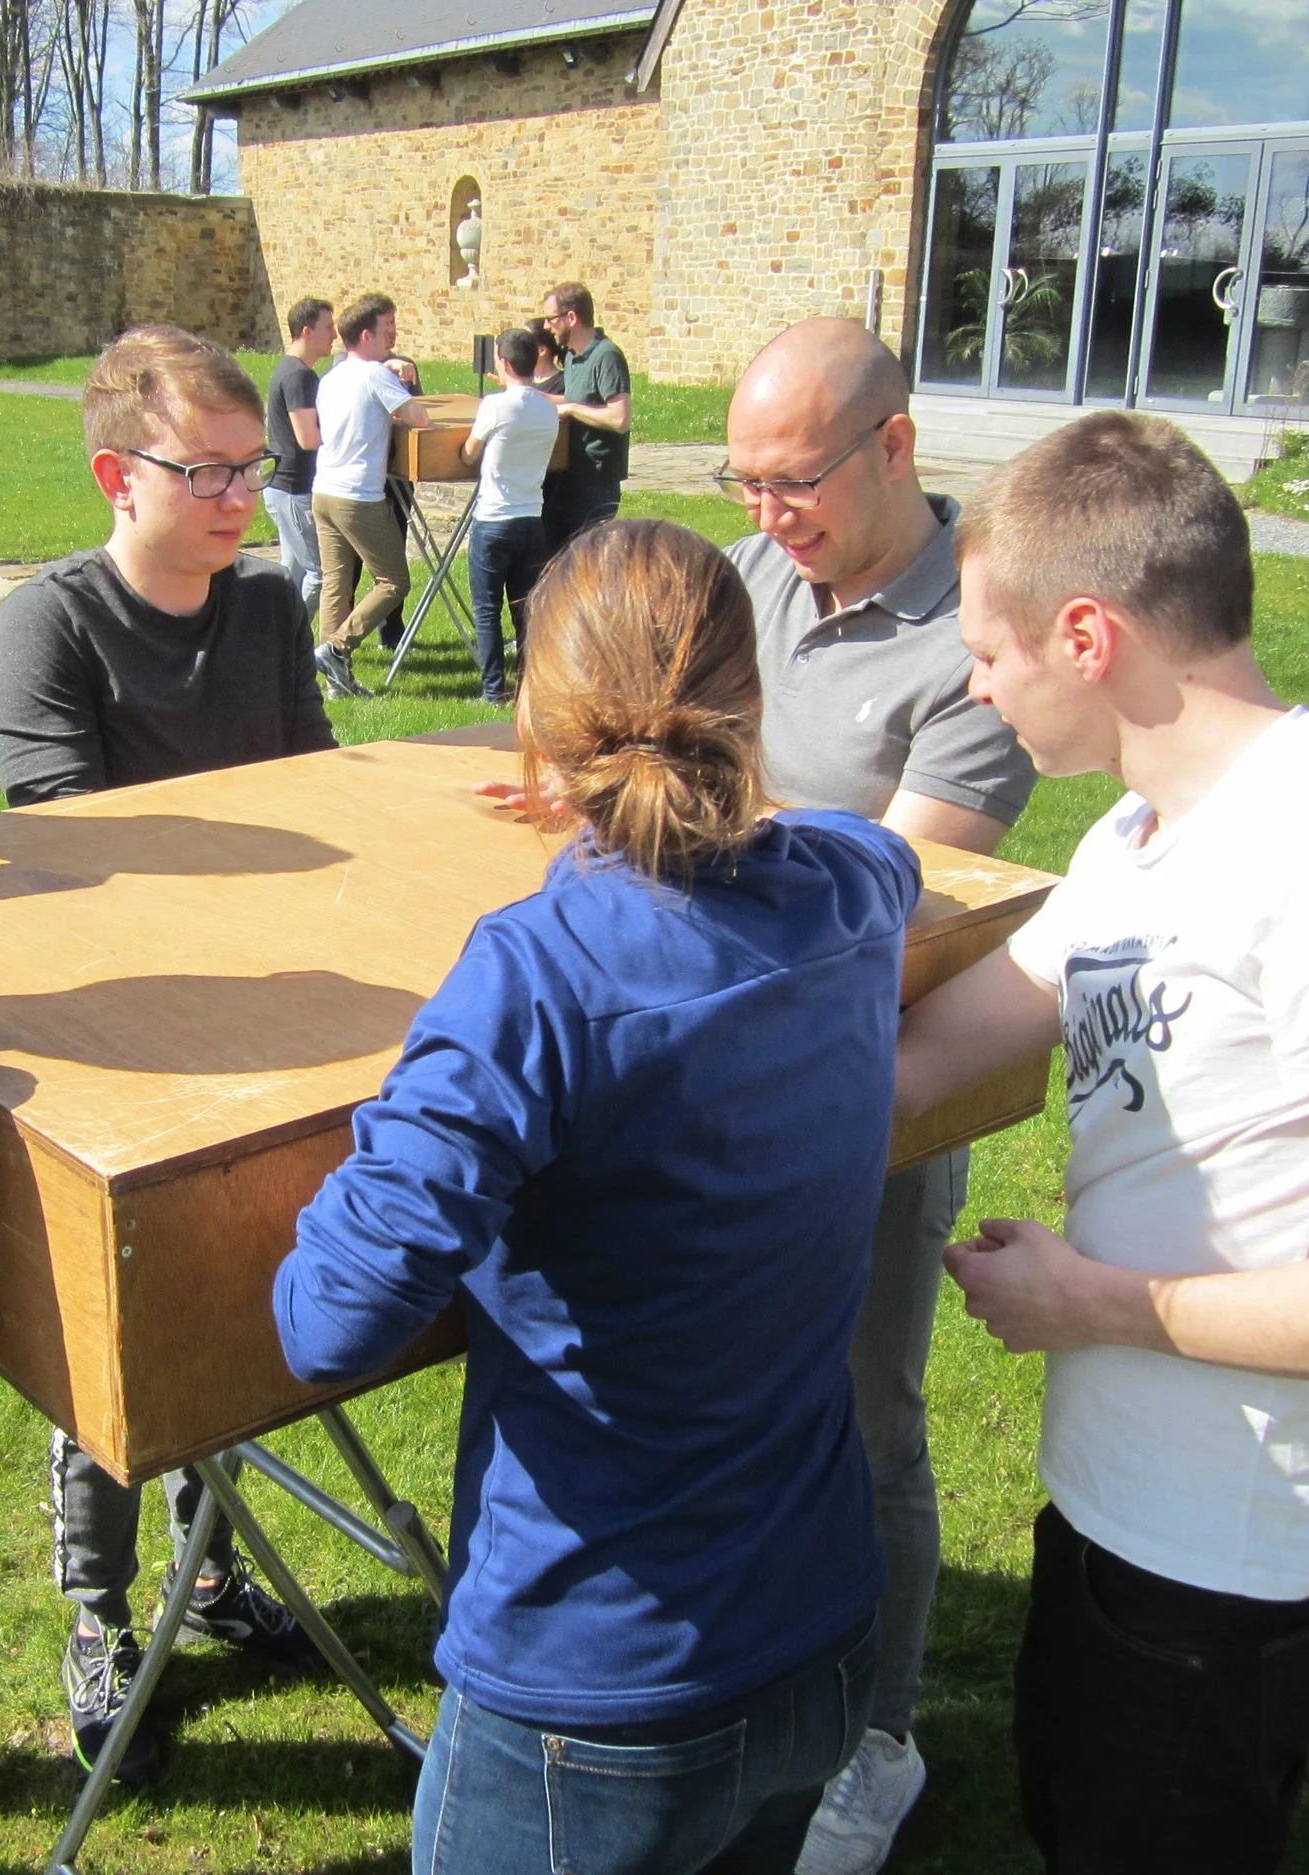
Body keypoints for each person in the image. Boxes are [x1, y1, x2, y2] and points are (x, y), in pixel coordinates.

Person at [898, 411, 1309, 1874]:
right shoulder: (1135, 839)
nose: (976, 687)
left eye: (987, 652)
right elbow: (928, 1052)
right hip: (1123, 1514)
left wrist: (1091, 1303)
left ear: (1085, 636)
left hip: (1239, 1557)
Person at [278, 519, 921, 1875]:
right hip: (817, 1633)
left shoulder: (531, 979)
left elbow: (327, 1322)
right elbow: (859, 852)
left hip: (598, 1683)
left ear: (534, 718)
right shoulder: (855, 891)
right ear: (752, 702)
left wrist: (410, 1110)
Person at [0, 324, 334, 1781]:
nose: (244, 496)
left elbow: (327, 798)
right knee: (115, 1339)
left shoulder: (266, 608)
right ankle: (100, 1610)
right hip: (122, 1038)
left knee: (233, 1310)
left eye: (256, 468)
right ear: (116, 474)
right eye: (210, 471)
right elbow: (76, 856)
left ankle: (213, 1567)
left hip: (280, 1010)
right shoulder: (48, 626)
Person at [716, 317, 1038, 1875]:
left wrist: (699, 843)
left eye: (793, 481)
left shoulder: (973, 634)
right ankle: (758, 1684)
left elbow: (880, 901)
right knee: (725, 1404)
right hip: (707, 1076)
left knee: (864, 1420)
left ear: (895, 447)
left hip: (871, 1095)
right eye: (745, 482)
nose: (765, 514)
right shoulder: (751, 574)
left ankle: (879, 1738)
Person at [309, 291, 431, 697]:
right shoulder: (376, 375)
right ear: (366, 335)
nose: (393, 334)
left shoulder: (331, 377)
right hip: (358, 496)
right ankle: (336, 648)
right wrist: (398, 389)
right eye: (387, 327)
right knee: (394, 581)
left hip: (323, 490)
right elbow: (419, 417)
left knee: (336, 584)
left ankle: (335, 683)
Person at [458, 325, 560, 705]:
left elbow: (469, 453)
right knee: (525, 608)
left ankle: (493, 689)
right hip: (531, 517)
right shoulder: (548, 410)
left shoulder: (495, 406)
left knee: (487, 609)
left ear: (502, 362)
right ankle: (529, 686)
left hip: (493, 518)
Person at [535, 283, 631, 559]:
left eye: (551, 319)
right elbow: (573, 400)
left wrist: (571, 409)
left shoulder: (607, 356)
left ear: (571, 318)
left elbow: (620, 417)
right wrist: (527, 395)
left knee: (586, 563)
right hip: (567, 476)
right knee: (555, 560)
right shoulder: (571, 357)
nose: (547, 326)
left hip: (595, 481)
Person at [264, 296, 335, 617]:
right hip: (295, 491)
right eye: (328, 328)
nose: (334, 335)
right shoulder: (298, 376)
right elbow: (308, 438)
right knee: (320, 575)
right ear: (307, 331)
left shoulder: (291, 369)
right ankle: (292, 639)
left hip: (283, 488)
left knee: (292, 576)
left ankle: (272, 637)